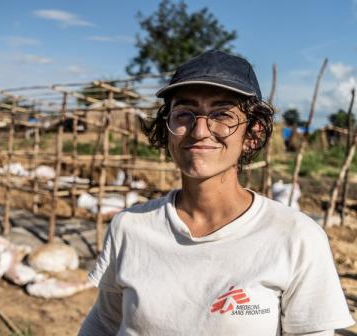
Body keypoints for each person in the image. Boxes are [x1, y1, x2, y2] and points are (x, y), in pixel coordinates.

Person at [79, 50, 354, 335]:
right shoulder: (130, 227)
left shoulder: (296, 237)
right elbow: (104, 322)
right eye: (184, 113)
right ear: (167, 128)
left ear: (253, 134)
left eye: (222, 115)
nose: (199, 130)